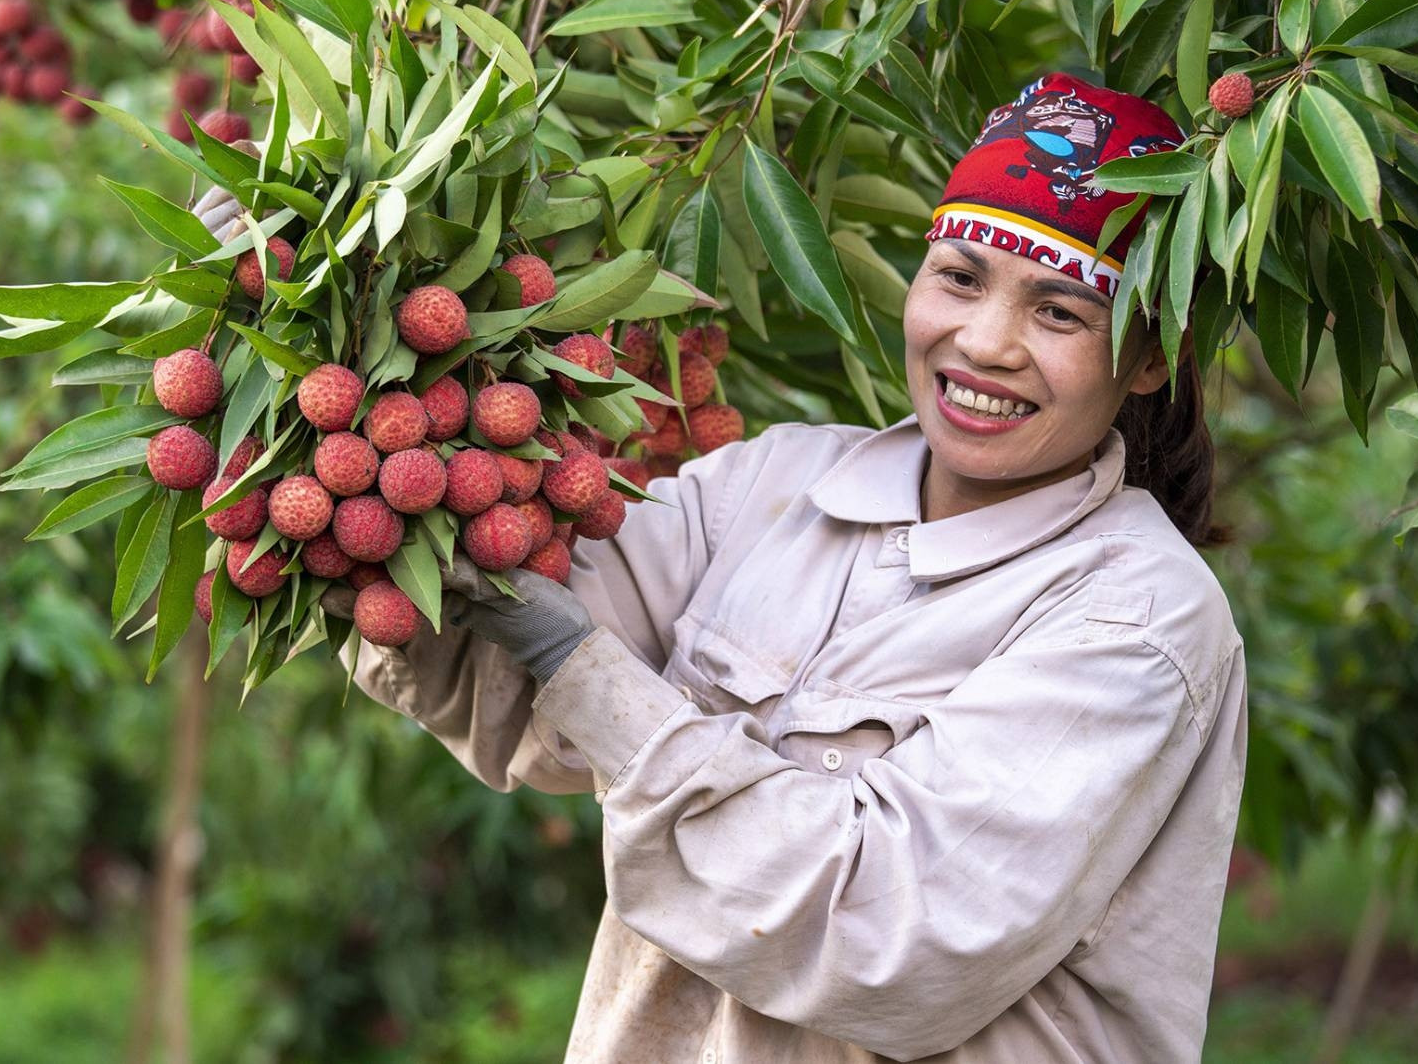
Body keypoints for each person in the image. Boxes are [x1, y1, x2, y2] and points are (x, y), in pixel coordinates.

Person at [327, 72, 1248, 1063]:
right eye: (959, 278)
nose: (985, 343)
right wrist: (323, 344)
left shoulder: (1137, 620)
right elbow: (511, 669)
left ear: (1149, 357)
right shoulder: (778, 482)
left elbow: (886, 935)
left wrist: (578, 661)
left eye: (1059, 313)